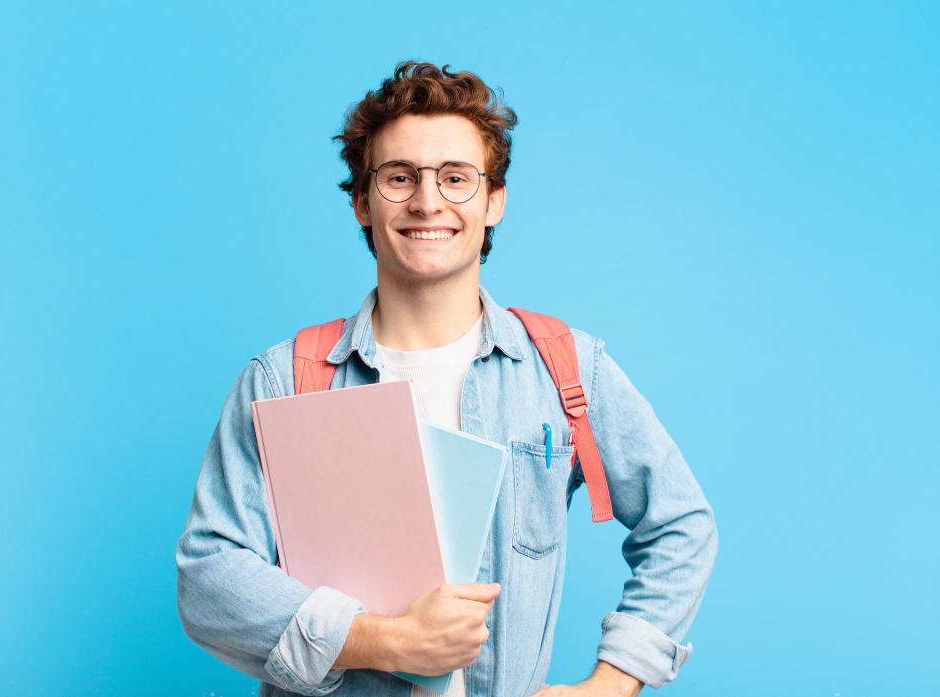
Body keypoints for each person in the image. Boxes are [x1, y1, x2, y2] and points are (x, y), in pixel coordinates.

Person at [176, 61, 717, 697]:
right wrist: (385, 639)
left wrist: (613, 682)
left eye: (456, 179)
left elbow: (681, 525)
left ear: (494, 202)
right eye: (399, 177)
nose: (428, 201)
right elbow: (209, 577)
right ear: (361, 201)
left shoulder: (567, 369)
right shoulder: (283, 379)